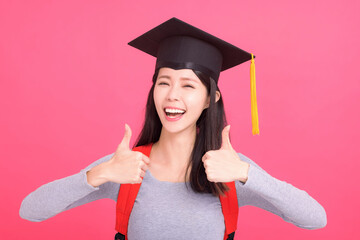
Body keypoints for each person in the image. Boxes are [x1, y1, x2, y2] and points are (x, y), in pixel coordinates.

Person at [19, 18, 327, 240]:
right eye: (163, 82)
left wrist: (247, 173)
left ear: (211, 98)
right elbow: (30, 210)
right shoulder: (128, 167)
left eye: (188, 85)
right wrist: (100, 174)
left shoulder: (229, 172)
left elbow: (315, 219)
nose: (172, 95)